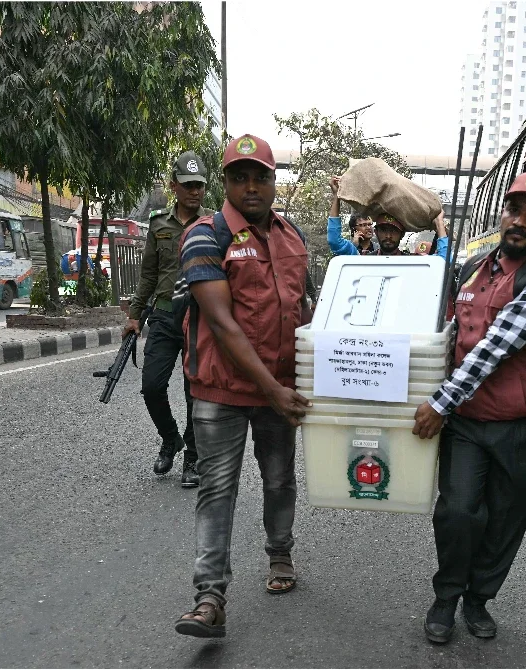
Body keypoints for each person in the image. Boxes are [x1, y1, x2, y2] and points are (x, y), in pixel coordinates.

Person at [411, 172, 526, 644]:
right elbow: (448, 337)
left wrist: (438, 402)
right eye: (514, 211)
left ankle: (478, 598)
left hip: (520, 427)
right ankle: (446, 596)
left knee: (503, 521)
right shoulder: (473, 269)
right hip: (467, 422)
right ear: (503, 214)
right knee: (457, 513)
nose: (520, 222)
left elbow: (492, 349)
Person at [174, 134, 312, 639]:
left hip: (281, 387)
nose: (250, 186)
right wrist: (273, 391)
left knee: (279, 479)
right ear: (226, 182)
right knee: (218, 490)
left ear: (274, 181)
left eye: (260, 176)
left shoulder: (292, 236)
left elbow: (305, 311)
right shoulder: (204, 236)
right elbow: (223, 323)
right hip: (221, 392)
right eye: (239, 176)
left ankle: (281, 555)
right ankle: (210, 597)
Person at [124, 151, 213, 488]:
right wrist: (135, 315)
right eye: (188, 185)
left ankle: (192, 458)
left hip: (200, 318)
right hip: (162, 315)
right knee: (151, 386)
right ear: (174, 186)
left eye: (200, 185)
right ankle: (170, 438)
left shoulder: (213, 225)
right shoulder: (159, 225)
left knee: (195, 392)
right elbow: (148, 274)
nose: (195, 191)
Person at [327, 175, 448, 257]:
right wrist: (337, 197)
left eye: (394, 231)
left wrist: (440, 225)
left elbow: (443, 263)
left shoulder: (412, 262)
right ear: (376, 232)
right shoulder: (364, 259)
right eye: (384, 230)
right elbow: (334, 241)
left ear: (402, 234)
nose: (388, 236)